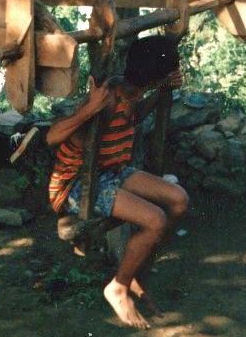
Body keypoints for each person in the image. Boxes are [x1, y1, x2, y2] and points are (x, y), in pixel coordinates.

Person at [47, 34, 188, 329]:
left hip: (111, 170)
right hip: (76, 184)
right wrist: (89, 108)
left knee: (178, 199)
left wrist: (162, 89)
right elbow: (52, 136)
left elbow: (133, 119)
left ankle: (136, 273)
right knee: (155, 219)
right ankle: (118, 287)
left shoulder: (133, 91)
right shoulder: (108, 97)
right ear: (148, 78)